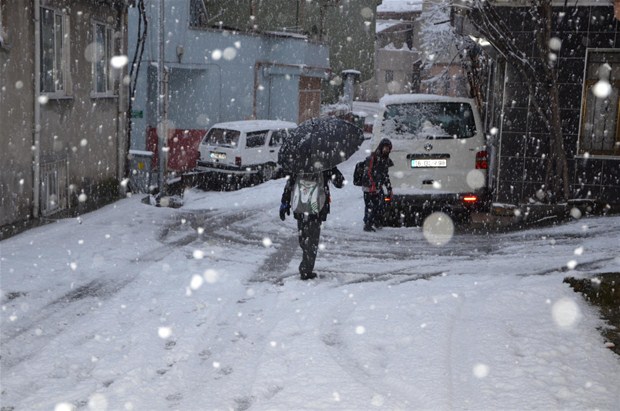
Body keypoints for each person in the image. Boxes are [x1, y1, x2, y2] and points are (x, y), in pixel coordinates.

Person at [279, 167, 345, 280]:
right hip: (316, 209)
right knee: (311, 240)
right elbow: (340, 183)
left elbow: (290, 184)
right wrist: (334, 174)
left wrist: (285, 202)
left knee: (305, 239)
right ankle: (306, 268)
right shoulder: (325, 164)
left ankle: (306, 266)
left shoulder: (299, 163)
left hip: (301, 206)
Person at [362, 138, 393, 232]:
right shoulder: (373, 158)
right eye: (385, 148)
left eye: (388, 148)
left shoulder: (385, 160)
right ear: (381, 147)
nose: (386, 150)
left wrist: (389, 188)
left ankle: (375, 221)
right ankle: (368, 224)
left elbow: (385, 176)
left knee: (380, 205)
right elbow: (368, 172)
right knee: (371, 206)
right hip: (369, 187)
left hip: (377, 187)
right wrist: (372, 185)